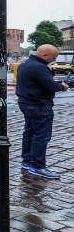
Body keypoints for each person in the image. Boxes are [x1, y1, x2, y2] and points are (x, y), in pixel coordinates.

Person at [15, 44, 69, 179]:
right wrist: (61, 86)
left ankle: (27, 161)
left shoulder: (25, 63)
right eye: (53, 56)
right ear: (45, 55)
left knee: (29, 133)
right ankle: (37, 166)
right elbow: (51, 86)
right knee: (41, 136)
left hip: (26, 103)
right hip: (39, 105)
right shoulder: (39, 67)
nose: (54, 59)